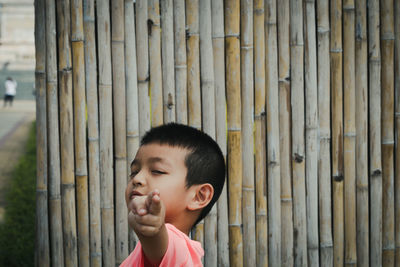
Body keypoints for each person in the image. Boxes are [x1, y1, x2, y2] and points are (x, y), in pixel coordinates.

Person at [120, 123, 226, 267]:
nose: (137, 179)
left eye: (157, 171)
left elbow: (158, 238)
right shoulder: (143, 253)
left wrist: (153, 231)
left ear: (199, 196)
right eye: (134, 171)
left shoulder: (177, 250)